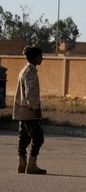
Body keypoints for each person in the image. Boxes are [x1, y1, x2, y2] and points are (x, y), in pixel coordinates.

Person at [13, 46, 47, 174]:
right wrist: (35, 108)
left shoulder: (25, 70)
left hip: (22, 111)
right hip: (29, 112)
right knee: (38, 137)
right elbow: (30, 92)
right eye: (40, 56)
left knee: (24, 137)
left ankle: (22, 162)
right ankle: (31, 165)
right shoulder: (30, 72)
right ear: (34, 58)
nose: (42, 58)